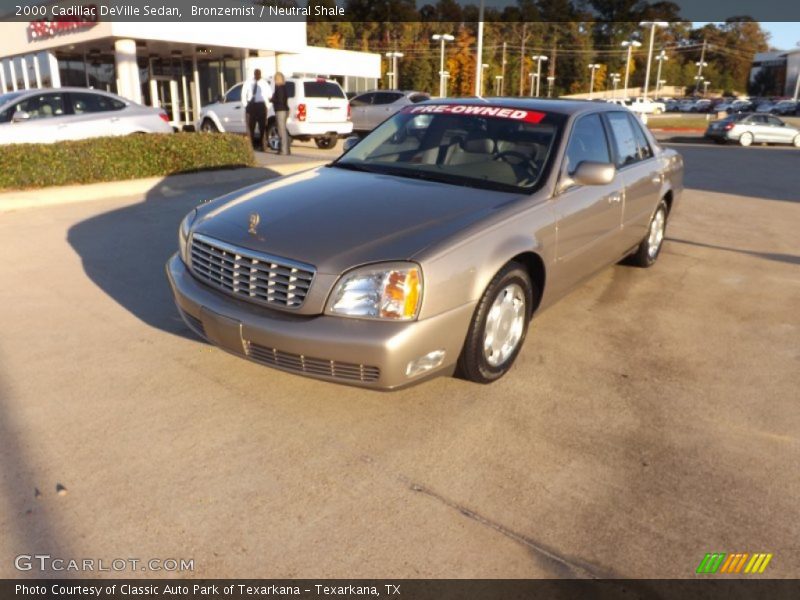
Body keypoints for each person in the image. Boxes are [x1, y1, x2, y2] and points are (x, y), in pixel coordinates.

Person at [242, 68, 271, 151]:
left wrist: (267, 107)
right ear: (254, 74)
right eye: (256, 73)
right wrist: (246, 105)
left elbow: (269, 96)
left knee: (262, 127)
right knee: (251, 127)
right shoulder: (248, 82)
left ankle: (263, 146)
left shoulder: (264, 83)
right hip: (251, 105)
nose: (257, 75)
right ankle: (251, 146)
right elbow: (243, 94)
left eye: (259, 73)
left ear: (260, 74)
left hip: (261, 105)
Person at [271, 72, 290, 155]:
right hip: (284, 109)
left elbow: (280, 100)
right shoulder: (284, 87)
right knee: (284, 130)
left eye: (275, 79)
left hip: (280, 110)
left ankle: (283, 150)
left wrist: (272, 100)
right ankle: (286, 149)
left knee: (281, 130)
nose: (274, 81)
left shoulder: (279, 88)